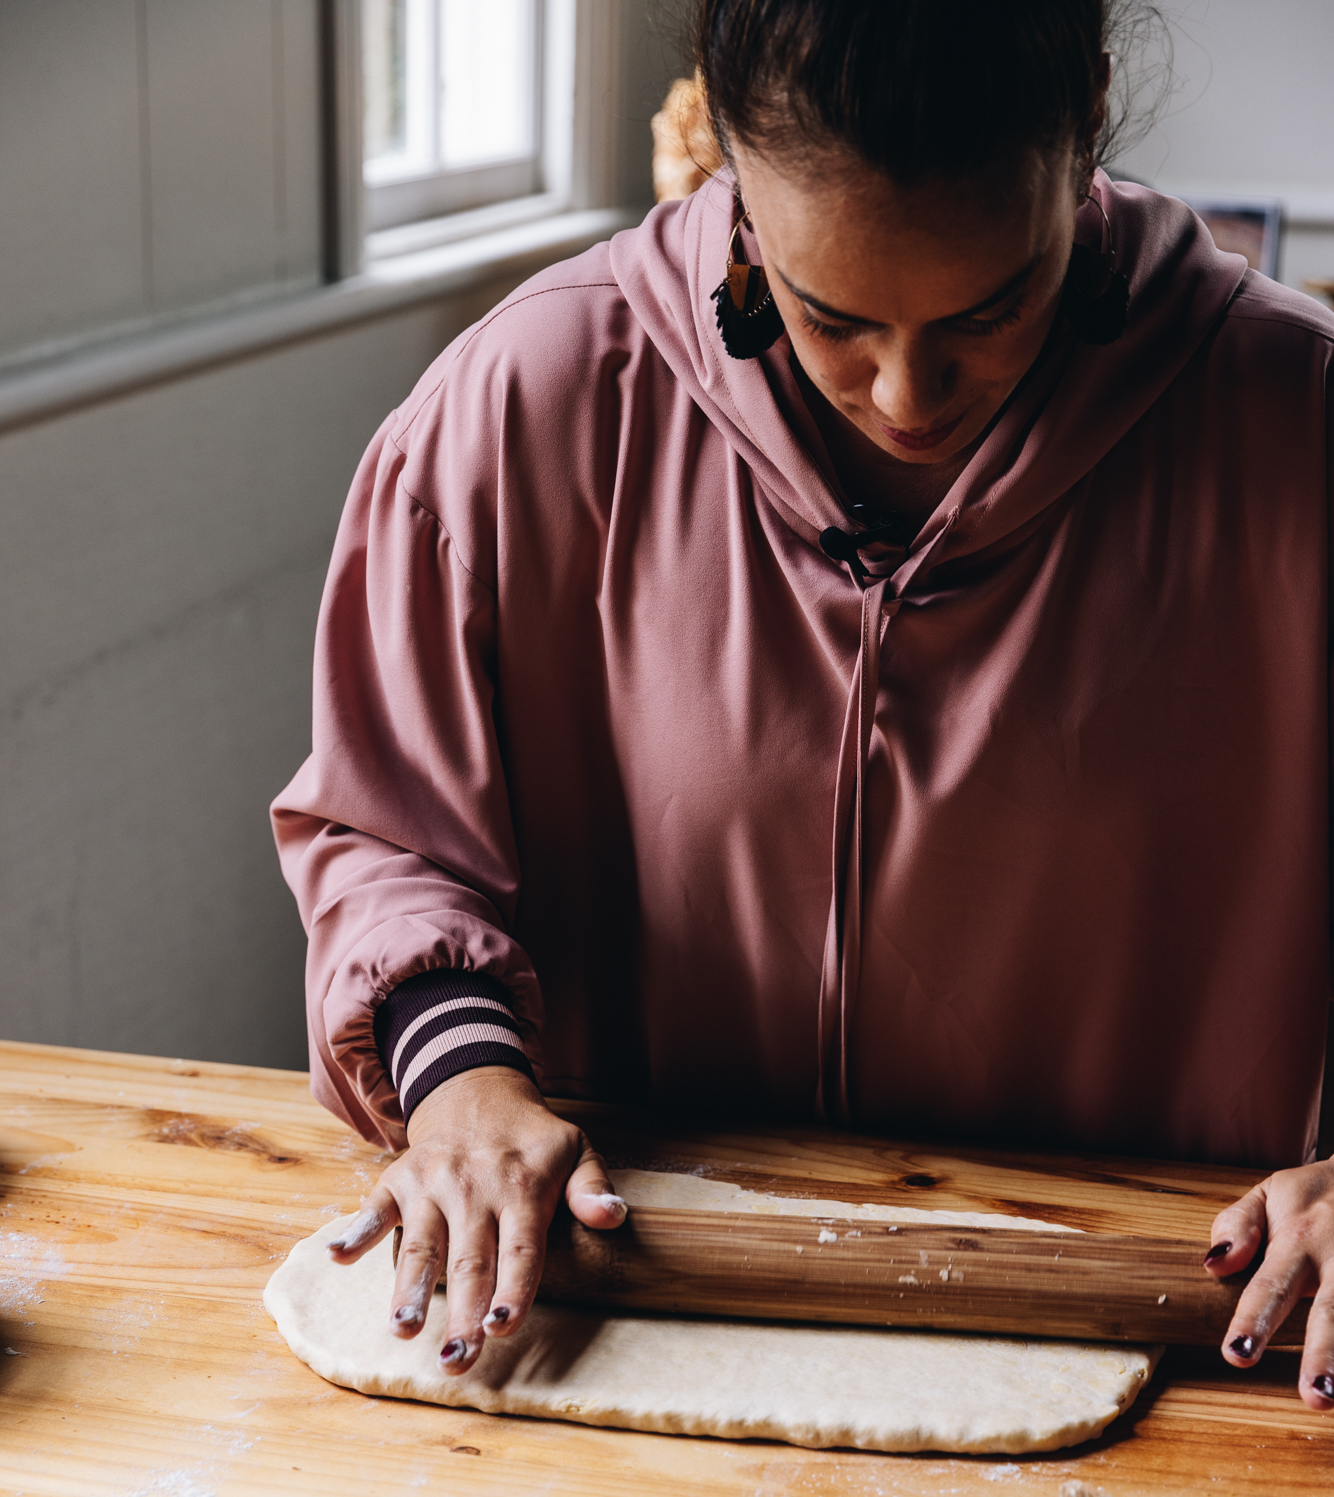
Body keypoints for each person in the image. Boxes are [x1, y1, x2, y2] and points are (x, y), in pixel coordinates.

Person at [272, 0, 1334, 1404]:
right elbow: (390, 831)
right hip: (618, 1312)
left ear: (1082, 110)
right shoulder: (519, 409)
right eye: (831, 316)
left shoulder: (1295, 430)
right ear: (721, 145)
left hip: (1171, 1331)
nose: (905, 393)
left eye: (992, 306)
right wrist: (458, 1079)